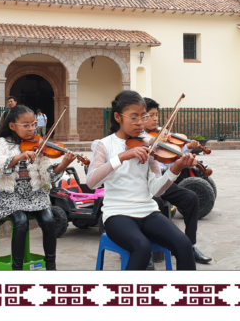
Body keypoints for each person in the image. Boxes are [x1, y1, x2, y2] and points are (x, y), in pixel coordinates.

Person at [87, 91, 198, 270]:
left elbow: (156, 191)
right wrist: (122, 156)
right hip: (117, 214)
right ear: (118, 117)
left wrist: (175, 169)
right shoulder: (104, 145)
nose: (140, 122)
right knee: (141, 248)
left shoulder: (148, 145)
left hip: (148, 211)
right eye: (134, 117)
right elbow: (92, 181)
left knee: (184, 244)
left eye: (143, 116)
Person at [0, 105, 76, 270]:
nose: (31, 129)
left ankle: (51, 266)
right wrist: (18, 157)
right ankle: (17, 269)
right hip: (10, 195)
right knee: (21, 222)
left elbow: (47, 176)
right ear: (12, 126)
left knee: (49, 220)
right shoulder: (2, 144)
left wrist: (63, 164)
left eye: (33, 124)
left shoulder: (39, 144)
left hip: (35, 195)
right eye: (25, 125)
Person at [142, 97, 212, 264]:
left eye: (156, 115)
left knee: (191, 198)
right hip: (146, 185)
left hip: (165, 181)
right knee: (156, 202)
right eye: (150, 115)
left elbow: (173, 156)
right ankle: (148, 249)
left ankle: (191, 245)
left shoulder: (164, 135)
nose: (155, 119)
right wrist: (155, 142)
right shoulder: (139, 137)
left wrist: (188, 147)